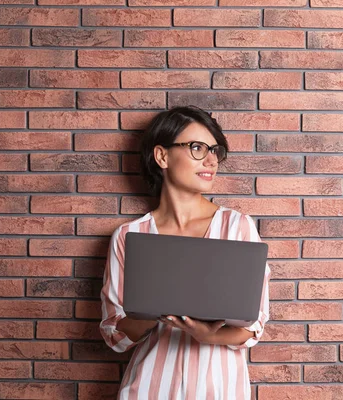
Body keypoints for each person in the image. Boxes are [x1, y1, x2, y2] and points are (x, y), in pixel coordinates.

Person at [99, 106, 270, 399]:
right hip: (150, 388)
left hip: (218, 390)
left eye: (215, 150)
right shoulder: (130, 236)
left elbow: (254, 325)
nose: (211, 160)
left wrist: (210, 335)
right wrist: (157, 308)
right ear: (162, 156)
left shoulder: (237, 227)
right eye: (197, 147)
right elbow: (115, 334)